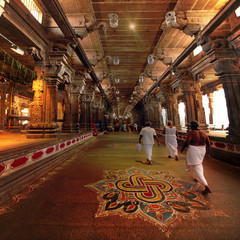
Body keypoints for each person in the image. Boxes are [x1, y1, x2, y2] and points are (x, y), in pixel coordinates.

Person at [180, 120, 212, 194]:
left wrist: (182, 148)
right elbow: (209, 144)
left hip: (194, 150)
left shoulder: (191, 133)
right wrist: (208, 153)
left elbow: (187, 142)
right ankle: (196, 177)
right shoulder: (204, 133)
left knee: (197, 167)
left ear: (191, 127)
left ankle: (206, 186)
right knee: (198, 164)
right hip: (202, 150)